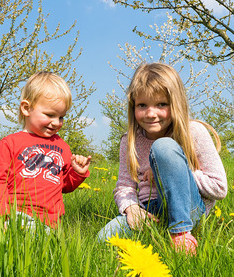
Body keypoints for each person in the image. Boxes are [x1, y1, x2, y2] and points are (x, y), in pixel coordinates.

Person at [97, 63, 227, 255]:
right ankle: (159, 230)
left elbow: (219, 188)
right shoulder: (129, 140)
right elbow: (124, 186)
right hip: (149, 211)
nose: (151, 113)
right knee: (104, 239)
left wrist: (174, 170)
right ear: (133, 106)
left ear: (176, 104)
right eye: (142, 105)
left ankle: (181, 232)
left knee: (164, 147)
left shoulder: (195, 132)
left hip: (189, 209)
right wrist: (132, 208)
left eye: (161, 104)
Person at [0, 71, 91, 231]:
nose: (56, 123)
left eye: (61, 117)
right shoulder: (10, 143)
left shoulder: (62, 146)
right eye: (50, 115)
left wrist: (77, 173)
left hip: (49, 224)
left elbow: (65, 186)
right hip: (13, 217)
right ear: (26, 108)